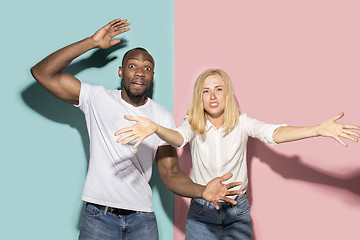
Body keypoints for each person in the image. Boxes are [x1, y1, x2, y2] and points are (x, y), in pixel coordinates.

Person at [30, 20, 243, 240]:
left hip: (143, 221)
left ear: (152, 76)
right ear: (121, 71)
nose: (140, 72)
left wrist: (202, 191)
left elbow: (170, 174)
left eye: (147, 68)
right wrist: (92, 42)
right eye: (133, 66)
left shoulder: (161, 116)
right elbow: (42, 72)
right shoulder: (96, 98)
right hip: (98, 217)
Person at [115, 68, 360, 240]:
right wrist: (156, 128)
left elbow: (274, 133)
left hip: (237, 211)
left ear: (227, 94)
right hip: (202, 211)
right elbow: (178, 138)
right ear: (199, 97)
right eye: (206, 91)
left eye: (218, 89)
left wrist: (317, 129)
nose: (212, 96)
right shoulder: (193, 123)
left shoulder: (243, 123)